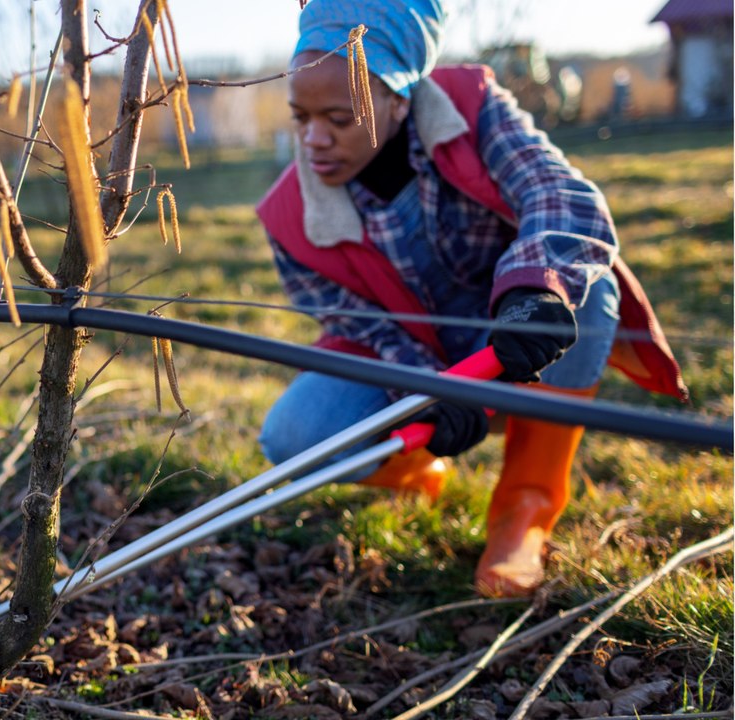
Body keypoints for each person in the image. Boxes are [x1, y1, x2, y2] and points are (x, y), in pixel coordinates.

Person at [255, 0, 688, 598]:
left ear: (400, 100)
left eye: (339, 117)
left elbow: (559, 193)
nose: (314, 139)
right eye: (300, 116)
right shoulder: (289, 216)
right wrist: (424, 392)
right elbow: (359, 324)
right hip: (413, 353)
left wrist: (534, 288)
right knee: (294, 436)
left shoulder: (473, 111)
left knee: (591, 293)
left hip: (515, 337)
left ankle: (523, 516)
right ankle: (414, 471)